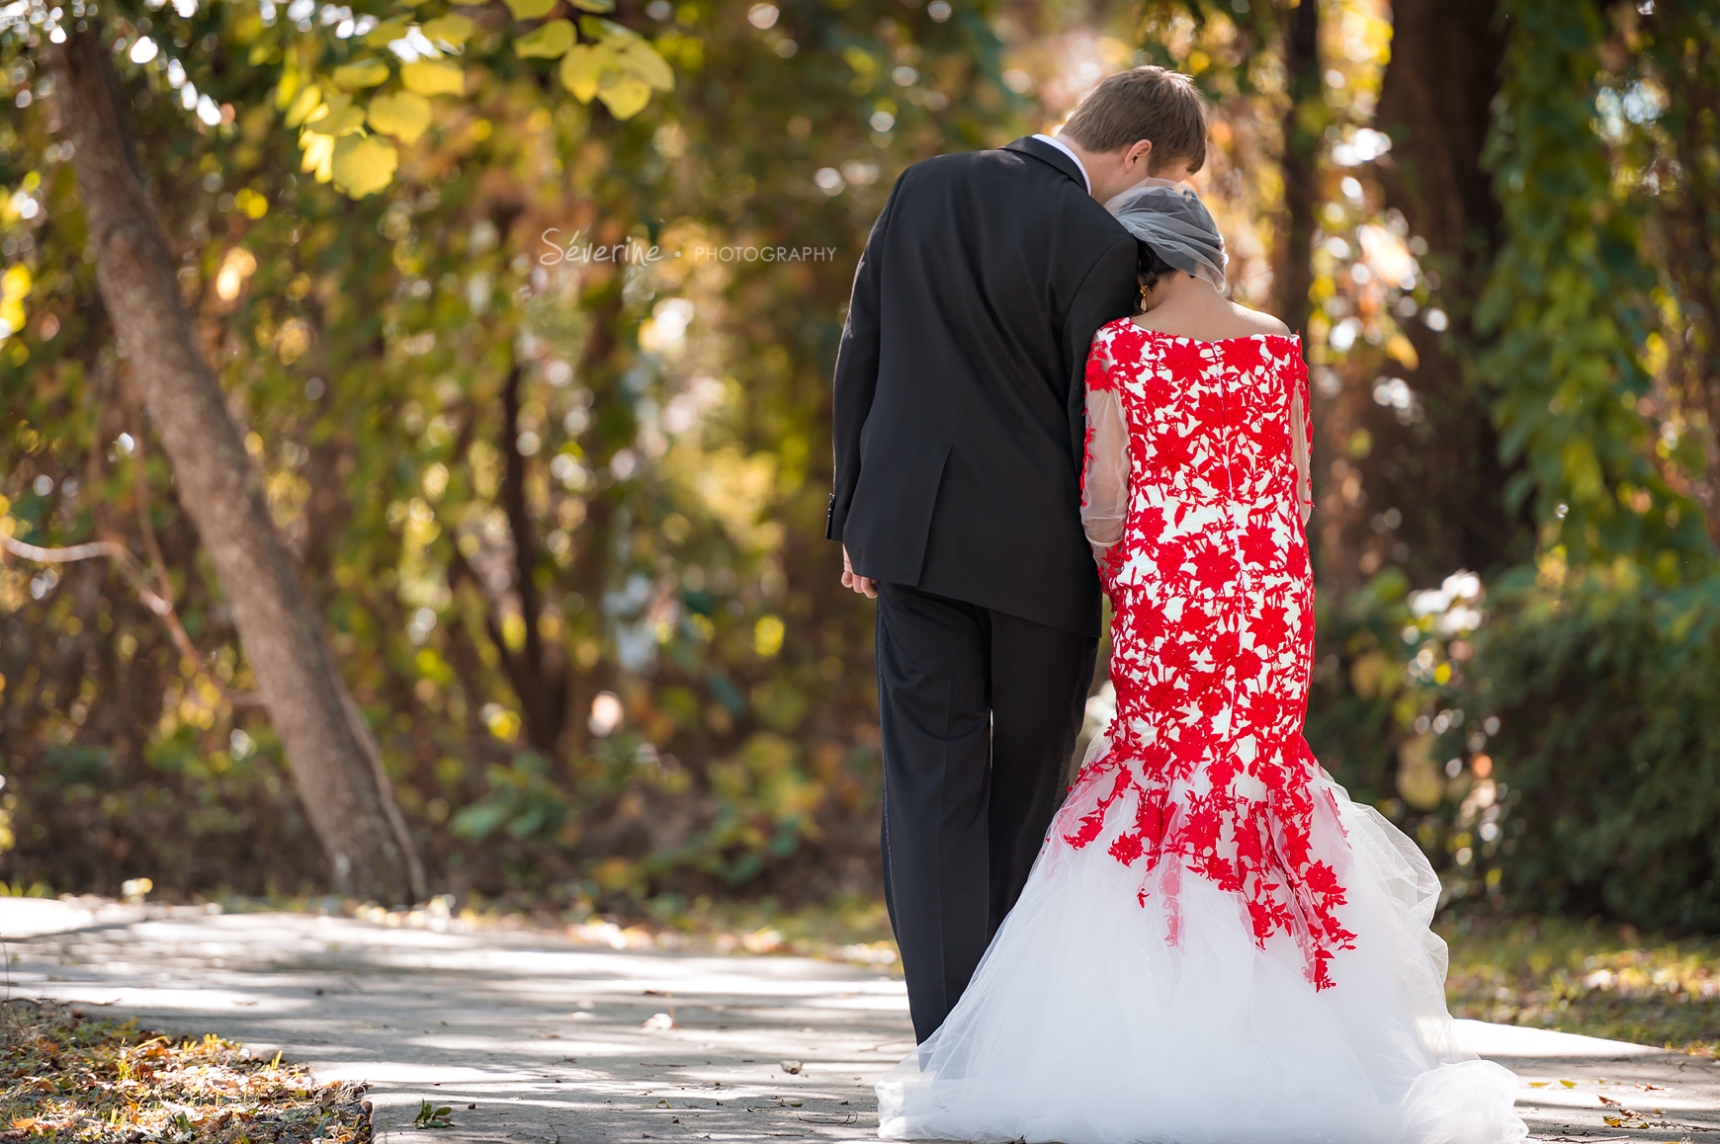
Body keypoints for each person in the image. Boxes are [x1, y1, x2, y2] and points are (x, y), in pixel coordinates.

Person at [873, 182, 1529, 1144]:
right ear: (1205, 252)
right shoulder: (1276, 343)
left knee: (1159, 781)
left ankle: (1164, 1014)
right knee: (1257, 780)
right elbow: (1298, 491)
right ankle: (1291, 1030)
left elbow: (1105, 501)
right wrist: (1253, 557)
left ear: (1138, 262)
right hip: (1265, 599)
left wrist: (1124, 574)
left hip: (1167, 591)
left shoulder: (1122, 349)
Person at [827, 65, 1209, 1045]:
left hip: (908, 534)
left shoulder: (922, 184)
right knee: (1025, 787)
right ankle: (996, 1029)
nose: (1162, 204)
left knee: (927, 787)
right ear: (1133, 156)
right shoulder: (1102, 244)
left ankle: (946, 1038)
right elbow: (1105, 424)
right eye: (1164, 181)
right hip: (1042, 562)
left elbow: (860, 348)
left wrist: (852, 515)